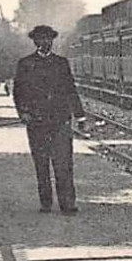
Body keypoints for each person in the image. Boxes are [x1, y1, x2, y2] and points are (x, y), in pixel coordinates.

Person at [13, 25, 86, 214]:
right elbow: (18, 92)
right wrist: (23, 113)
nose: (45, 42)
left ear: (52, 41)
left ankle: (67, 203)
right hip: (36, 122)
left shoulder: (61, 63)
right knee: (42, 163)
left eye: (48, 39)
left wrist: (79, 115)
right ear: (35, 41)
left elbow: (70, 90)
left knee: (64, 164)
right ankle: (46, 202)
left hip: (60, 121)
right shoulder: (25, 64)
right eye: (41, 39)